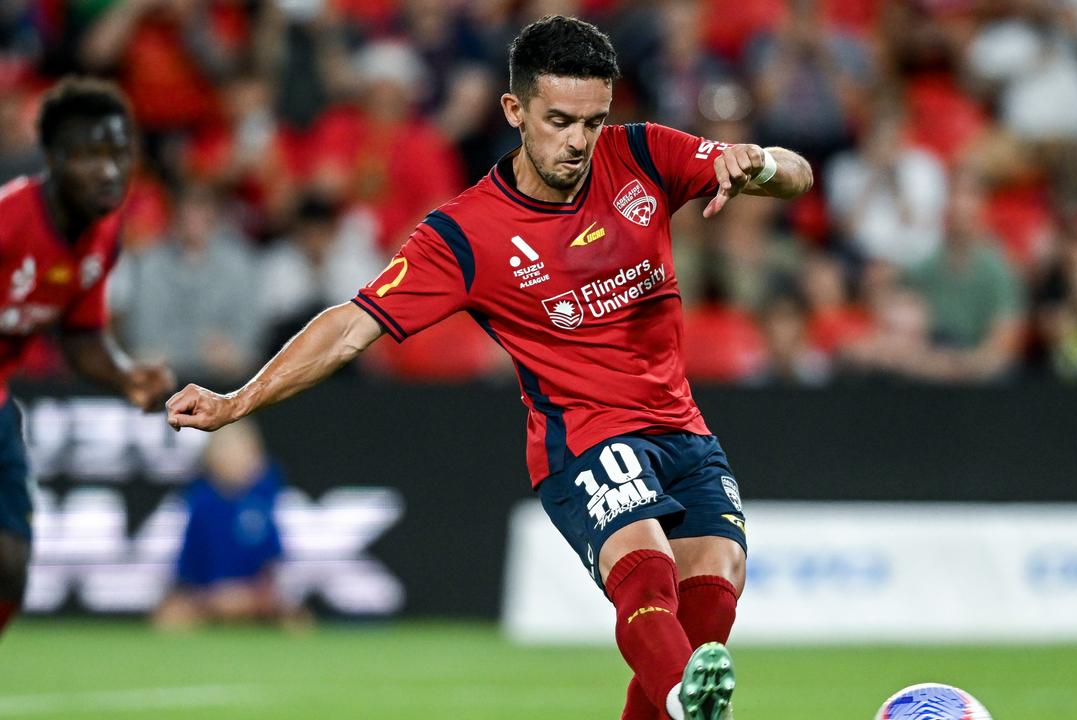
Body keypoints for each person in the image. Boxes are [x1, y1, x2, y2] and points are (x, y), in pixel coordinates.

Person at [165, 15, 813, 720]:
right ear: (515, 110)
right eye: (559, 120)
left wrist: (759, 164)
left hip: (682, 428)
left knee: (715, 590)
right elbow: (352, 326)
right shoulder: (467, 233)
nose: (577, 142)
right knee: (649, 571)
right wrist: (239, 399)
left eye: (592, 122)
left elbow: (798, 177)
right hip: (584, 437)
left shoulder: (648, 154)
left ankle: (679, 704)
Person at [0, 77, 175, 639]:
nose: (110, 170)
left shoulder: (103, 236)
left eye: (120, 153)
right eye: (91, 156)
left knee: (10, 570)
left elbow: (80, 336)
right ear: (53, 159)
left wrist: (125, 377)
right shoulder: (8, 221)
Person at [152, 420, 307, 631]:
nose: (233, 459)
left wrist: (249, 597)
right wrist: (211, 599)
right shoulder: (199, 503)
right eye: (225, 450)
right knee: (170, 621)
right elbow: (188, 570)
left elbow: (277, 567)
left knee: (298, 624)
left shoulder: (270, 498)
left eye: (241, 450)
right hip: (207, 599)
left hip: (258, 599)